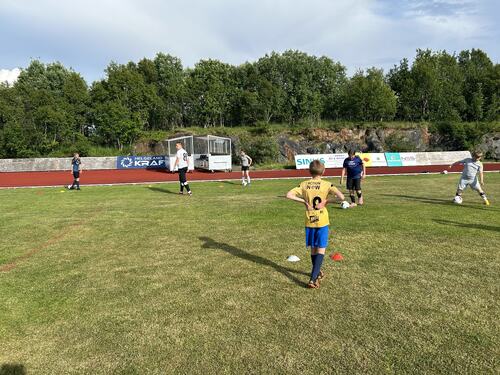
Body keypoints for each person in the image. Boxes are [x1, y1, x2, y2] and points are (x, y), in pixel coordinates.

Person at [286, 160, 345, 289]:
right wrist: (327, 201)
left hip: (309, 219)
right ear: (324, 171)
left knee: (313, 248)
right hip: (322, 220)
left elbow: (289, 195)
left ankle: (317, 272)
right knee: (321, 249)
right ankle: (313, 279)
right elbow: (341, 197)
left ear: (309, 171)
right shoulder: (327, 184)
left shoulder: (304, 184)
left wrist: (303, 201)